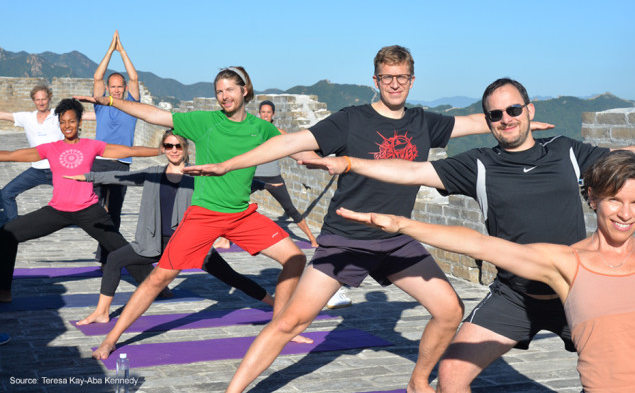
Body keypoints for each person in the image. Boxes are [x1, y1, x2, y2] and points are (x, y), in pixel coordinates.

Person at [181, 48, 552, 393]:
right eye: (387, 77)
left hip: (394, 237)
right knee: (290, 322)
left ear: (412, 81)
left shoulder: (424, 122)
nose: (395, 84)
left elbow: (473, 122)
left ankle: (418, 382)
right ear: (376, 81)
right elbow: (288, 142)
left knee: (449, 310)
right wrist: (228, 164)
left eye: (402, 77)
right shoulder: (351, 120)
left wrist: (521, 121)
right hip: (346, 238)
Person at [304, 77, 635, 393]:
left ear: (530, 111)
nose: (506, 119)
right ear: (487, 121)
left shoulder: (567, 152)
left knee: (616, 374)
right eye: (495, 114)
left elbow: (627, 157)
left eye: (513, 110)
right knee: (451, 377)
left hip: (575, 286)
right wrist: (351, 163)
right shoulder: (479, 164)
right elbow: (412, 171)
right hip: (514, 295)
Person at [342, 150, 635, 393]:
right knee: (452, 373)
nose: (625, 214)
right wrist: (404, 224)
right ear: (592, 198)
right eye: (614, 200)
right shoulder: (565, 263)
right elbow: (479, 245)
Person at [80, 66, 306, 361]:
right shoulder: (204, 122)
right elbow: (153, 115)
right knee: (159, 278)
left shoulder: (260, 127)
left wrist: (328, 161)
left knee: (296, 258)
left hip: (242, 214)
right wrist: (111, 101)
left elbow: (294, 144)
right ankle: (111, 340)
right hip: (204, 214)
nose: (224, 96)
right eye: (219, 92)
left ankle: (280, 326)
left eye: (230, 90)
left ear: (245, 90)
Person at [73, 130, 276, 326]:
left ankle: (275, 305)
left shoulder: (198, 174)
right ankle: (101, 313)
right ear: (163, 148)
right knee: (115, 259)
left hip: (189, 244)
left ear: (186, 149)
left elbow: (230, 184)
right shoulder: (153, 173)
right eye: (169, 145)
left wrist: (261, 184)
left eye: (178, 145)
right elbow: (122, 177)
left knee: (232, 277)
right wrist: (88, 178)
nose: (174, 149)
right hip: (153, 243)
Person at [0, 98, 161, 302]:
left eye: (71, 121)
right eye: (63, 122)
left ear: (79, 123)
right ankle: (3, 291)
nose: (67, 126)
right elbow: (14, 155)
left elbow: (130, 151)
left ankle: (157, 286)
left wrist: (161, 150)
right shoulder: (51, 148)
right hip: (57, 211)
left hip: (89, 211)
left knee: (120, 247)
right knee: (6, 235)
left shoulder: (91, 145)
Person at [0, 84, 96, 224]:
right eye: (37, 100)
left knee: (85, 193)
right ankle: (12, 224)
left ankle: (92, 221)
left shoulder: (58, 115)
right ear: (33, 100)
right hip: (36, 170)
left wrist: (116, 109)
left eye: (44, 99)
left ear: (49, 98)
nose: (41, 102)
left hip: (58, 169)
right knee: (6, 193)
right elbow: (3, 115)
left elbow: (89, 116)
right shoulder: (27, 117)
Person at [91, 32, 141, 249]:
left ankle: (109, 253)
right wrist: (110, 51)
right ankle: (103, 246)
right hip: (100, 161)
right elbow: (97, 78)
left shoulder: (132, 104)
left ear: (125, 89)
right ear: (108, 89)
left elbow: (135, 78)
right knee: (96, 210)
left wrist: (122, 52)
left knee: (115, 211)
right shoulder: (101, 104)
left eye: (120, 86)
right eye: (113, 87)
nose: (117, 90)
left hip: (122, 164)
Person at [251, 101, 318, 248]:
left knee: (289, 208)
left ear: (273, 115)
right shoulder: (251, 132)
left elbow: (297, 148)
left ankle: (312, 239)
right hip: (253, 177)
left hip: (274, 177)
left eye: (268, 112)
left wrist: (319, 160)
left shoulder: (279, 133)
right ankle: (224, 239)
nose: (265, 115)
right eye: (263, 112)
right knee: (233, 203)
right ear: (259, 113)